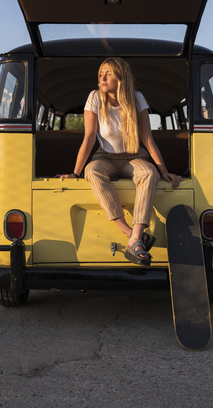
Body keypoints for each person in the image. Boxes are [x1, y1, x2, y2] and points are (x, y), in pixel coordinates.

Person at [58, 57, 182, 266]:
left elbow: (147, 139)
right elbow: (89, 138)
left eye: (108, 74)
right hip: (105, 157)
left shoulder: (137, 98)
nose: (102, 78)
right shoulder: (95, 98)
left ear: (121, 77)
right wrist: (75, 173)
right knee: (93, 171)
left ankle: (137, 235)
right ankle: (132, 235)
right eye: (100, 74)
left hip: (133, 157)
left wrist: (164, 171)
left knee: (149, 173)